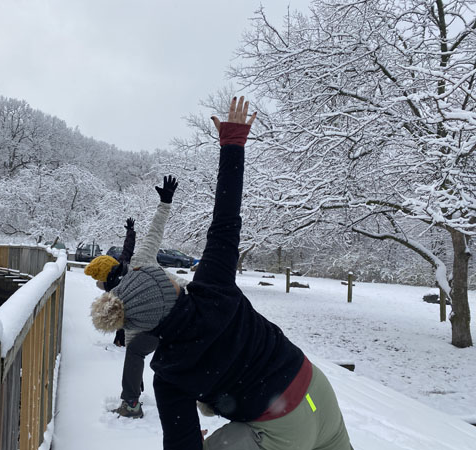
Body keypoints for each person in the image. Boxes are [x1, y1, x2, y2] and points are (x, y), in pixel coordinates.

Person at [90, 96, 352, 449]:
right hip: (315, 390)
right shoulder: (214, 286)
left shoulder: (168, 372)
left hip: (279, 427)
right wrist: (232, 144)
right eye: (167, 277)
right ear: (170, 289)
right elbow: (226, 219)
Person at [86, 175, 186, 419]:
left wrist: (135, 374)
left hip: (176, 316)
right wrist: (165, 202)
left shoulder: (117, 297)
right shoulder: (138, 261)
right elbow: (154, 232)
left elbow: (131, 335)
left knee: (145, 353)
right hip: (184, 311)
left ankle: (132, 404)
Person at [84, 216, 136, 346]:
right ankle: (121, 340)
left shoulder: (110, 286)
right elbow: (128, 249)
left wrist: (130, 231)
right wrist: (130, 231)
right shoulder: (122, 265)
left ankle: (120, 340)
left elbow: (116, 313)